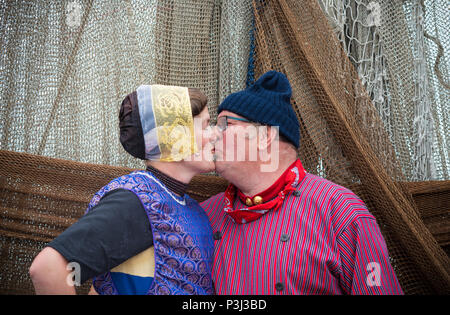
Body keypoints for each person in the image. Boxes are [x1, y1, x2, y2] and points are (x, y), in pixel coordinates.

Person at [202, 70, 404, 295]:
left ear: (264, 137)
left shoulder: (341, 211)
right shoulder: (206, 214)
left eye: (225, 124)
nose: (212, 135)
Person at [29, 84, 216, 295]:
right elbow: (48, 267)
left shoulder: (187, 205)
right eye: (206, 125)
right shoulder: (137, 201)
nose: (214, 135)